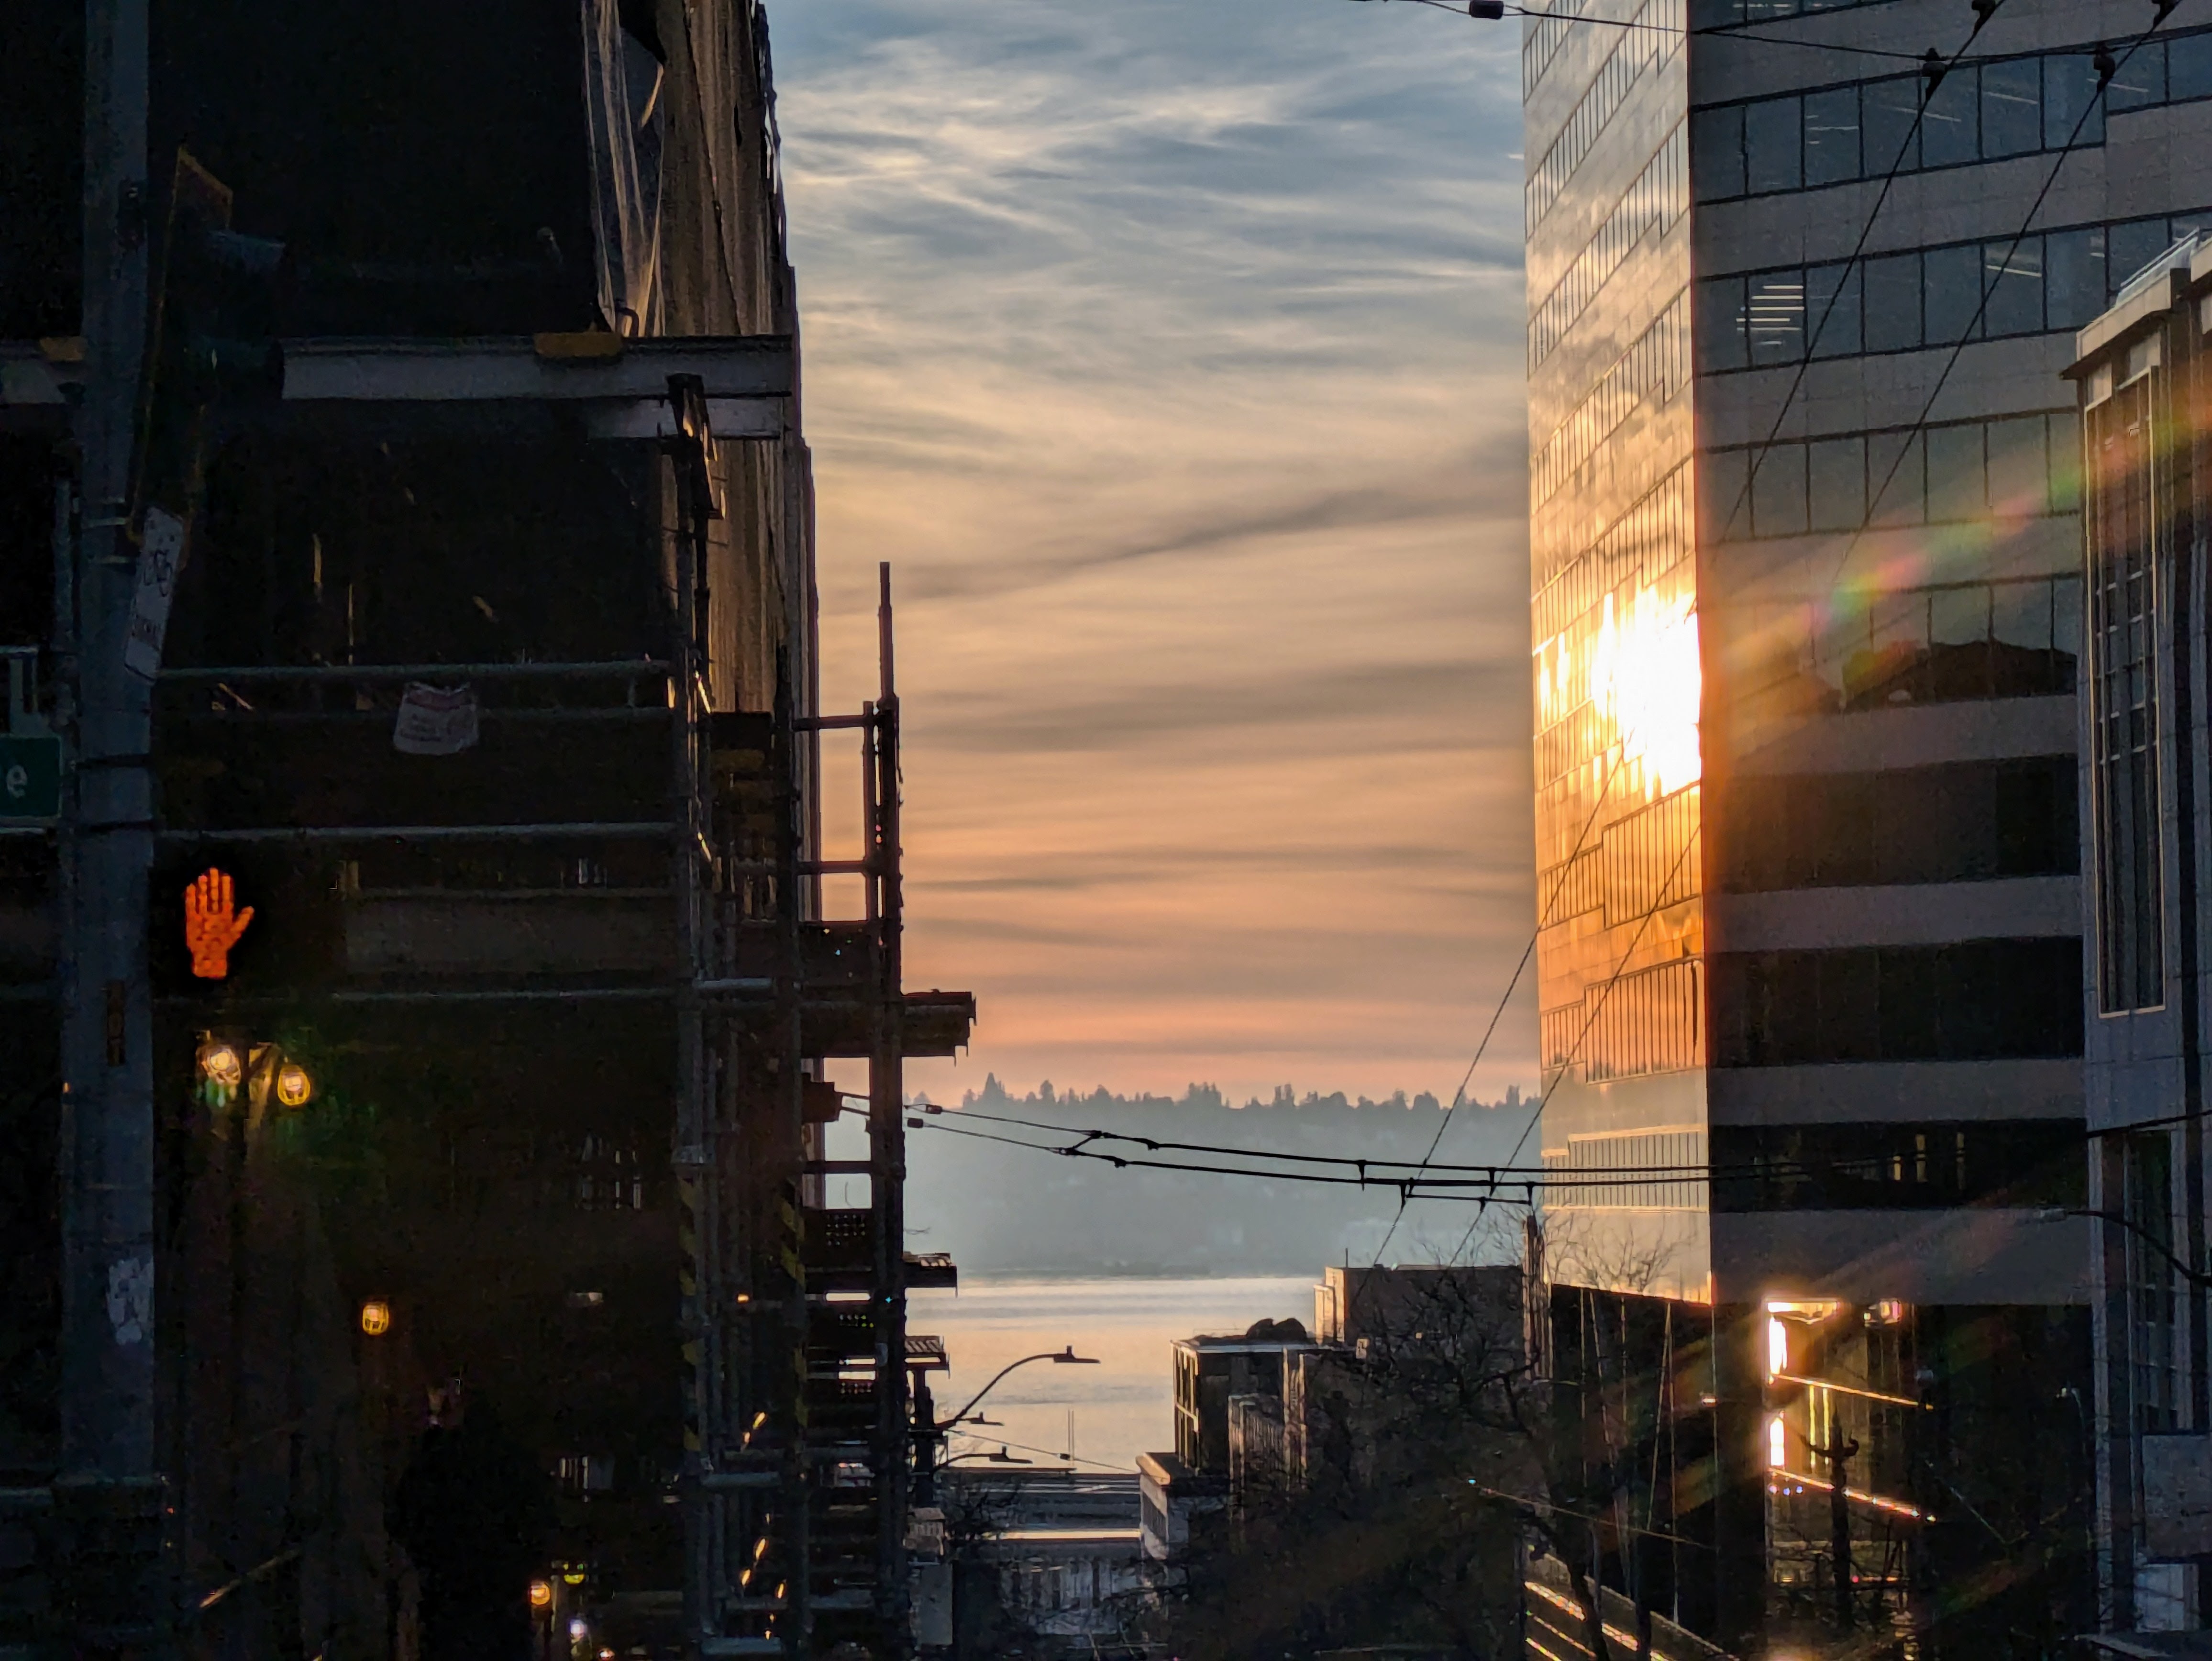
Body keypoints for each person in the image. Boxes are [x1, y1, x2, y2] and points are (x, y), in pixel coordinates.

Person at [392, 1381, 552, 1661]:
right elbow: (540, 1522)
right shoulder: (518, 1462)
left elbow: (405, 1513)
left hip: (449, 1592)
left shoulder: (439, 1459)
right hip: (501, 1593)